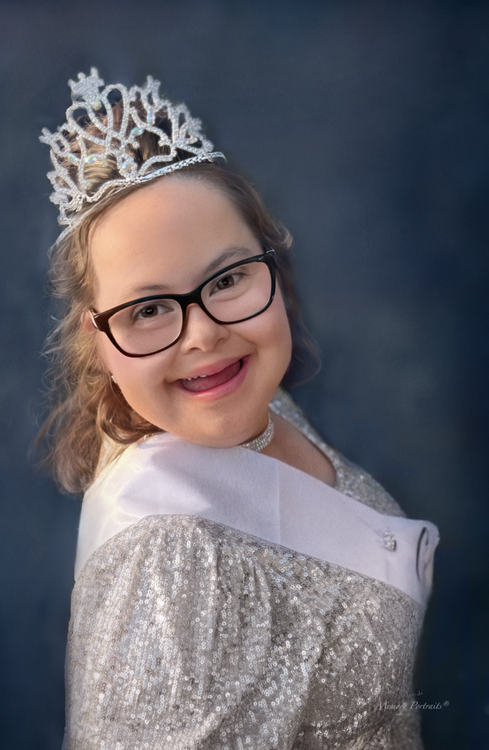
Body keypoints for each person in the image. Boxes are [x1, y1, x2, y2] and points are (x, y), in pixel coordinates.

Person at [39, 69, 439, 749]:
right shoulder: (167, 558)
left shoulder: (257, 403)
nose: (202, 336)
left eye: (226, 279)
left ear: (272, 267)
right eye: (148, 310)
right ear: (99, 342)